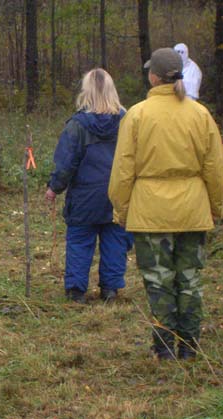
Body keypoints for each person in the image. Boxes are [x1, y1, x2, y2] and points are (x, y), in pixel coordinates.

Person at [108, 48, 223, 361]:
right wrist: (217, 206)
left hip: (151, 214)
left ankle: (164, 348)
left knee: (158, 282)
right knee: (190, 279)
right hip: (193, 211)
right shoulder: (200, 115)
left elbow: (122, 170)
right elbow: (215, 168)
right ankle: (188, 347)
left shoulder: (137, 115)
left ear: (153, 76)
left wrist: (121, 208)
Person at [45, 68, 133, 305]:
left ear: (86, 92)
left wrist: (54, 188)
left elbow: (65, 162)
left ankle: (75, 292)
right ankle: (111, 290)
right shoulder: (127, 120)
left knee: (79, 241)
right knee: (115, 240)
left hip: (85, 196)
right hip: (118, 194)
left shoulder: (77, 125)